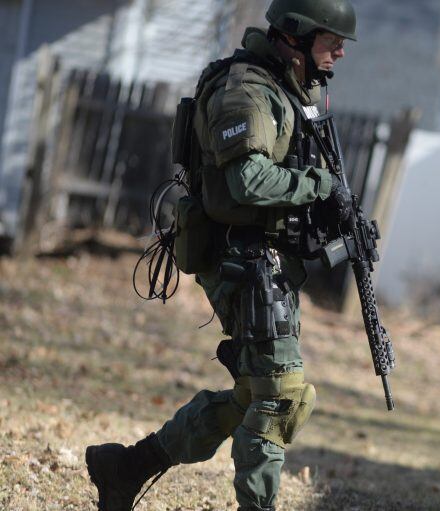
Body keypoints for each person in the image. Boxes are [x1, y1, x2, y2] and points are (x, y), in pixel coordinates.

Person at [85, 1, 356, 510]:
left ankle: (124, 469)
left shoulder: (292, 90)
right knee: (280, 397)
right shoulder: (248, 91)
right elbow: (247, 181)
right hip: (242, 260)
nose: (340, 51)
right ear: (293, 37)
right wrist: (320, 186)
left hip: (266, 261)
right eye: (330, 39)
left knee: (253, 397)